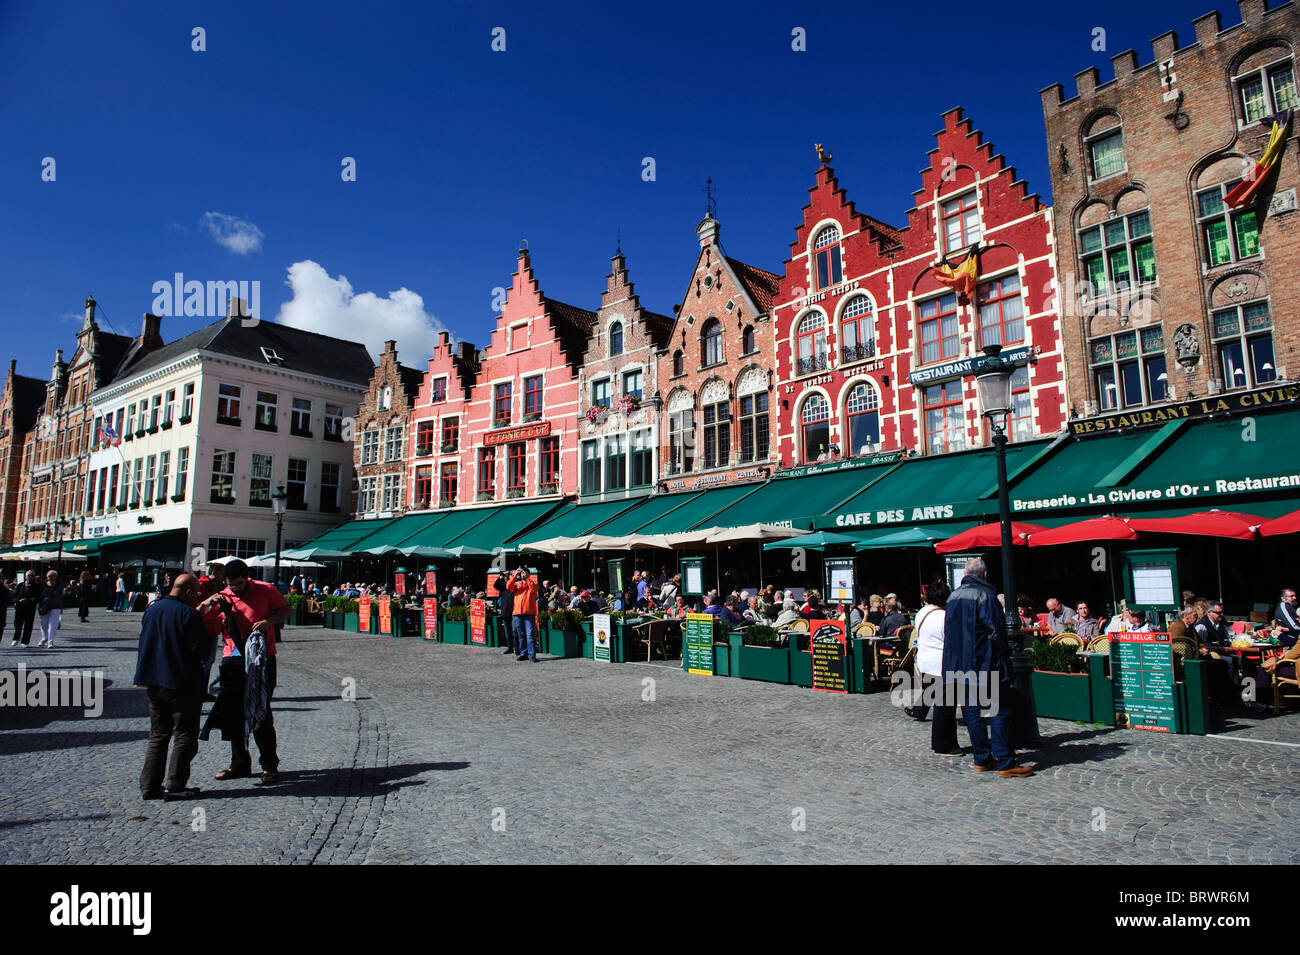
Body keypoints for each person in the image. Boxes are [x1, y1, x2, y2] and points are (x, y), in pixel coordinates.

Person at [197, 559, 288, 784]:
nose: (234, 588)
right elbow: (198, 618)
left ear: (247, 578)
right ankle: (239, 764)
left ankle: (269, 765)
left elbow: (286, 609)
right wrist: (207, 602)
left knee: (260, 711)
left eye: (238, 584)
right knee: (234, 714)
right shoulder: (223, 596)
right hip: (233, 659)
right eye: (230, 584)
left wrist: (268, 621)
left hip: (262, 658)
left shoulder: (266, 590)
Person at [942, 557, 1032, 777]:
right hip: (984, 662)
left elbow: (950, 632)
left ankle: (982, 757)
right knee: (999, 709)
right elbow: (995, 632)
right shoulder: (986, 596)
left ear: (965, 575)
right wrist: (1004, 657)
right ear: (984, 574)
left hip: (960, 663)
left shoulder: (953, 596)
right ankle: (1005, 761)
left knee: (972, 710)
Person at [134, 574, 210, 801]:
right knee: (185, 734)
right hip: (181, 682)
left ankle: (149, 785)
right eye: (196, 592)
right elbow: (201, 650)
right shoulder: (189, 614)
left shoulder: (152, 609)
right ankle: (175, 785)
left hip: (154, 680)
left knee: (158, 735)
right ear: (187, 591)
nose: (197, 596)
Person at [906, 580, 961, 756]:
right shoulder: (944, 617)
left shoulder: (922, 613)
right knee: (945, 708)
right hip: (941, 665)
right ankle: (943, 745)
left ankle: (944, 742)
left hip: (925, 663)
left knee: (939, 704)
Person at [506, 568, 539, 662]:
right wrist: (514, 576)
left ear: (528, 573)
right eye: (522, 572)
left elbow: (533, 589)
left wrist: (527, 578)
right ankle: (523, 653)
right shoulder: (517, 584)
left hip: (529, 613)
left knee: (529, 635)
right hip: (517, 613)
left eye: (525, 572)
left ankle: (532, 655)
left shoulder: (533, 583)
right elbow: (508, 586)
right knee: (521, 634)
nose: (522, 574)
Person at [36, 570, 63, 649]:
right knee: (43, 624)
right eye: (49, 576)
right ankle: (44, 638)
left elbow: (61, 597)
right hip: (45, 607)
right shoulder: (42, 585)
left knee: (53, 625)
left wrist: (61, 607)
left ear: (55, 577)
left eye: (52, 576)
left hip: (56, 606)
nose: (50, 578)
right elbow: (39, 596)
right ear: (46, 577)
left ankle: (50, 642)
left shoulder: (59, 586)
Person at [10, 571, 38, 647]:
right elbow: (14, 595)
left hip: (30, 608)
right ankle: (16, 638)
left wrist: (29, 600)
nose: (30, 577)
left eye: (32, 576)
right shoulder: (20, 585)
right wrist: (17, 601)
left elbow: (37, 597)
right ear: (25, 576)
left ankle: (25, 641)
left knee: (28, 625)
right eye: (29, 575)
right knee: (17, 624)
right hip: (20, 607)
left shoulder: (36, 586)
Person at [494, 569, 517, 655]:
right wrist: (501, 576)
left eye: (508, 577)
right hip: (505, 612)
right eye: (507, 577)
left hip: (514, 611)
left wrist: (513, 575)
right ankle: (510, 647)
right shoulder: (503, 586)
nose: (507, 578)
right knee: (507, 631)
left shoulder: (514, 586)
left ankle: (516, 647)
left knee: (515, 631)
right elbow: (495, 585)